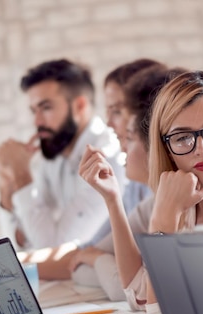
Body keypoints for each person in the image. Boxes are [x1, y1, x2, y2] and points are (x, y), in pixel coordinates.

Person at [80, 70, 203, 314]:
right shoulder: (184, 203)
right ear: (167, 147)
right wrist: (112, 199)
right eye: (183, 138)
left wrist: (162, 223)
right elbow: (139, 294)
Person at [18, 59, 160, 281]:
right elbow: (84, 253)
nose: (110, 123)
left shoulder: (107, 158)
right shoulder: (52, 158)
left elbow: (129, 282)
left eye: (118, 111)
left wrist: (19, 177)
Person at [71, 64, 183, 299]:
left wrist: (98, 260)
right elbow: (81, 265)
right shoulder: (148, 202)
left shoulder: (182, 201)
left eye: (129, 138)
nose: (121, 144)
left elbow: (136, 294)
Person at [0, 59, 125, 250]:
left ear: (80, 106)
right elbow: (25, 242)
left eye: (46, 108)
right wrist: (7, 188)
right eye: (34, 111)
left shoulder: (106, 157)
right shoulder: (54, 156)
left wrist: (21, 173)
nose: (37, 121)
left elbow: (54, 248)